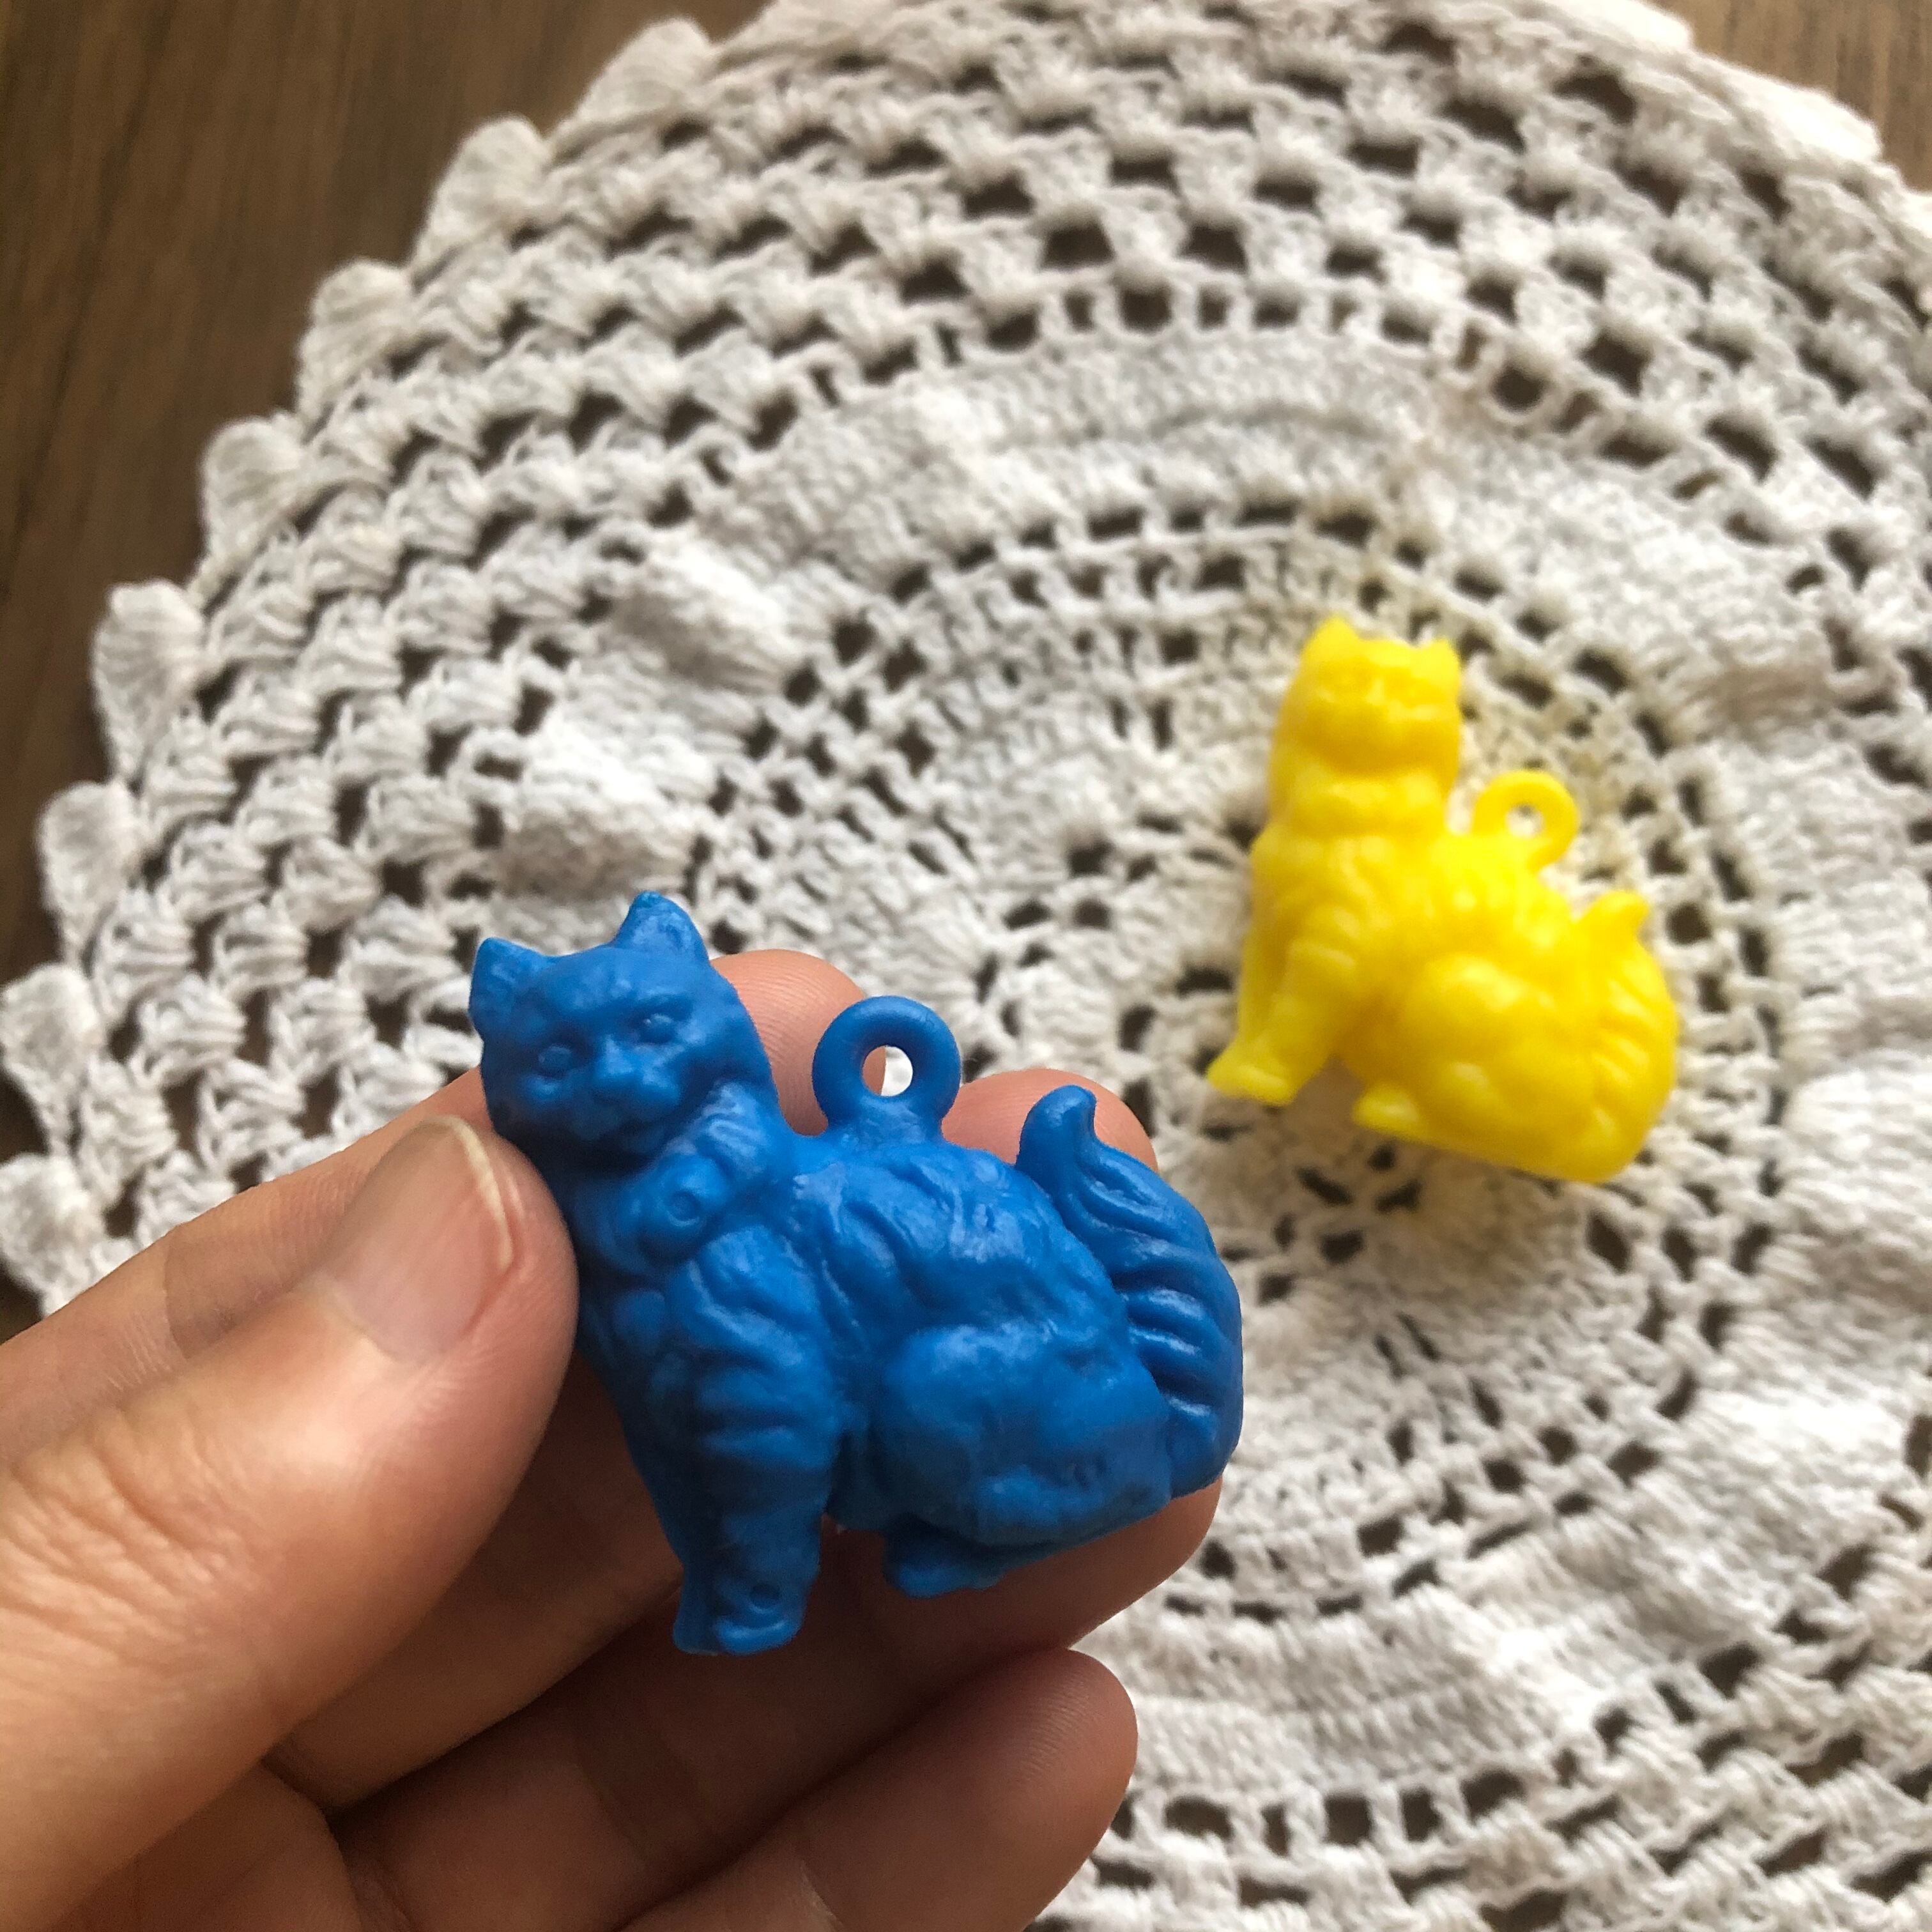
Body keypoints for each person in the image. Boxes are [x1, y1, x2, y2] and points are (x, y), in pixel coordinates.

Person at [0, 949, 1216, 1932]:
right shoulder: (635, 1241)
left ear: (712, 1028)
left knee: (905, 1405)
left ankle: (982, 1532)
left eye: (655, 1033)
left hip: (1043, 1409)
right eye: (564, 1058)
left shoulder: (738, 1237)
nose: (622, 1078)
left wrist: (753, 1587)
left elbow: (773, 1424)